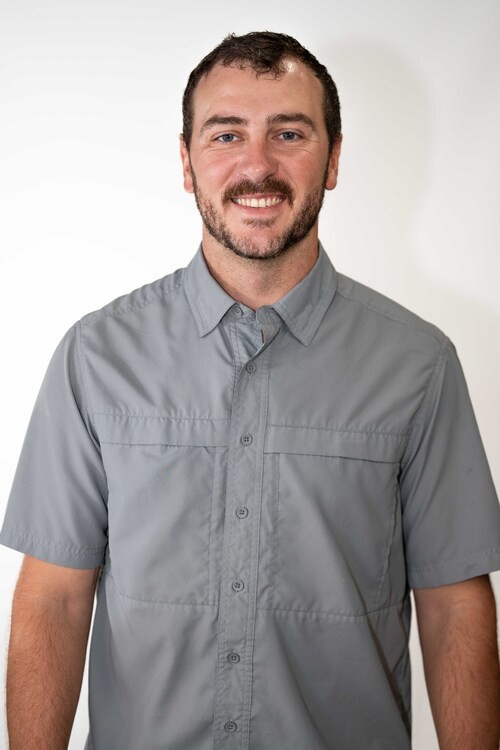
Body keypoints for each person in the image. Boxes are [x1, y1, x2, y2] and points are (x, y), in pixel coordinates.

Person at [1, 30, 499, 750]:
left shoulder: (420, 367)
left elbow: (454, 606)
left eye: (289, 133)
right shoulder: (95, 357)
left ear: (333, 159)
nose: (257, 165)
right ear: (186, 162)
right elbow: (53, 598)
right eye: (226, 134)